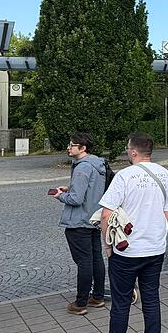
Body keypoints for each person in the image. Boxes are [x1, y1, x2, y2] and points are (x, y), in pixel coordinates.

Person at [99, 132, 168, 333]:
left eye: (127, 147)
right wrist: (157, 234)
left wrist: (108, 245)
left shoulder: (124, 176)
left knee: (121, 304)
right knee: (151, 300)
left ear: (133, 151)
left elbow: (106, 214)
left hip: (126, 250)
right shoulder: (165, 174)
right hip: (155, 249)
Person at [52, 132, 107, 315]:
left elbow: (76, 199)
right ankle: (98, 297)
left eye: (72, 145)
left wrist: (60, 195)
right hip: (93, 218)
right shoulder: (97, 164)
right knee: (96, 259)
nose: (68, 147)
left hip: (79, 221)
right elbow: (92, 189)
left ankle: (81, 302)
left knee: (84, 262)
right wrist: (70, 187)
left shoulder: (82, 168)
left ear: (82, 148)